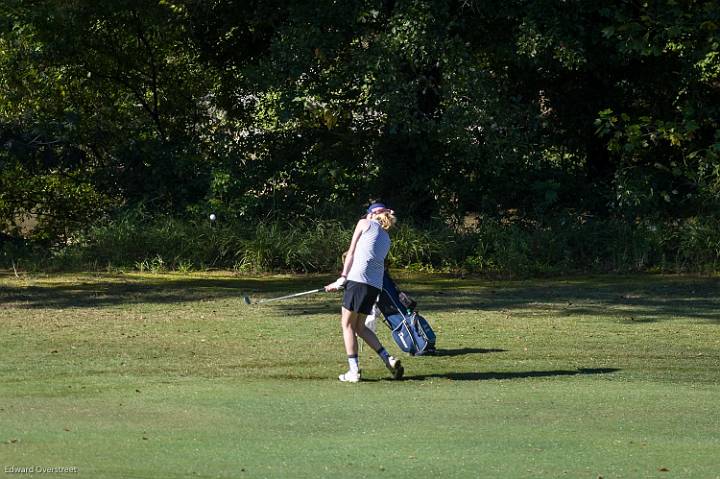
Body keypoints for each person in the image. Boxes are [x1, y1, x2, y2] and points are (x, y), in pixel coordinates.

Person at [325, 202, 404, 382]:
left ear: (370, 215)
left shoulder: (364, 223)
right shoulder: (386, 237)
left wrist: (342, 278)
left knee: (347, 325)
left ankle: (354, 372)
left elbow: (351, 252)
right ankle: (389, 360)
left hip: (358, 281)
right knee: (360, 327)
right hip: (374, 286)